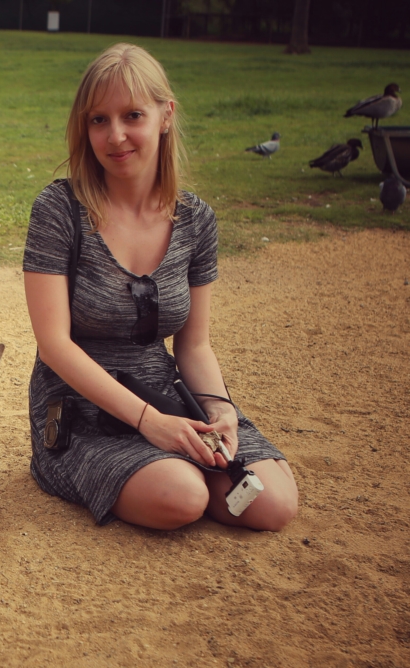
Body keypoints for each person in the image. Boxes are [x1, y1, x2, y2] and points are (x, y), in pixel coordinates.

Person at [23, 44, 298, 532]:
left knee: (272, 504)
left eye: (132, 115)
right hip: (81, 404)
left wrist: (218, 408)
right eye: (99, 120)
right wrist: (150, 422)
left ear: (166, 115)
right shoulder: (59, 209)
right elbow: (54, 345)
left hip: (169, 393)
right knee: (182, 496)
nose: (115, 136)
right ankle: (165, 472)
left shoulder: (195, 219)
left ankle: (186, 464)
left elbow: (194, 345)